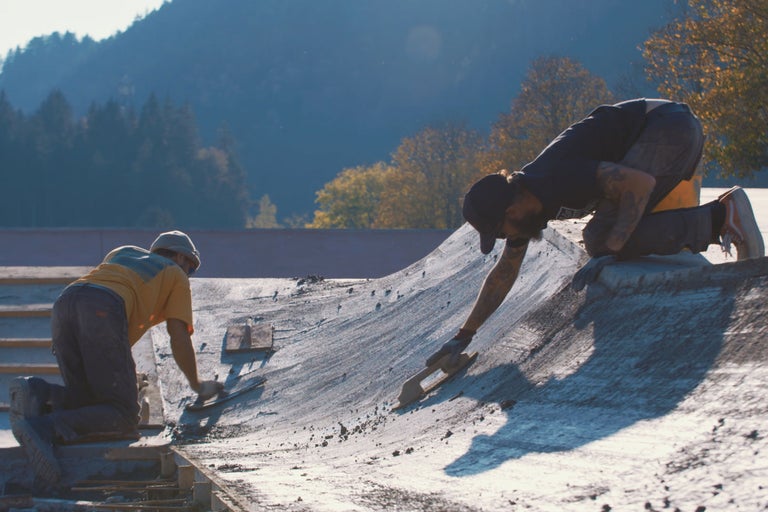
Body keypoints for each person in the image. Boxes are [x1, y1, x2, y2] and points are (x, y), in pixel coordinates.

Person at [426, 98, 764, 366]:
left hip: (668, 127)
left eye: (499, 232)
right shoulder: (525, 208)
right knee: (604, 235)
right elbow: (504, 272)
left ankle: (722, 217)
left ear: (511, 211)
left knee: (600, 238)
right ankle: (711, 220)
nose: (504, 239)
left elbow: (638, 183)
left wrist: (612, 249)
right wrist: (464, 335)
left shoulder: (555, 178)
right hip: (663, 132)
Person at [9, 230, 223, 486]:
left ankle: (37, 393)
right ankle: (44, 429)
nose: (189, 274)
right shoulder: (175, 274)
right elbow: (179, 337)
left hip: (66, 303)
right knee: (123, 415)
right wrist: (197, 384)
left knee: (88, 404)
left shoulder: (124, 251)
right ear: (179, 257)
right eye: (190, 268)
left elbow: (107, 332)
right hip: (102, 309)